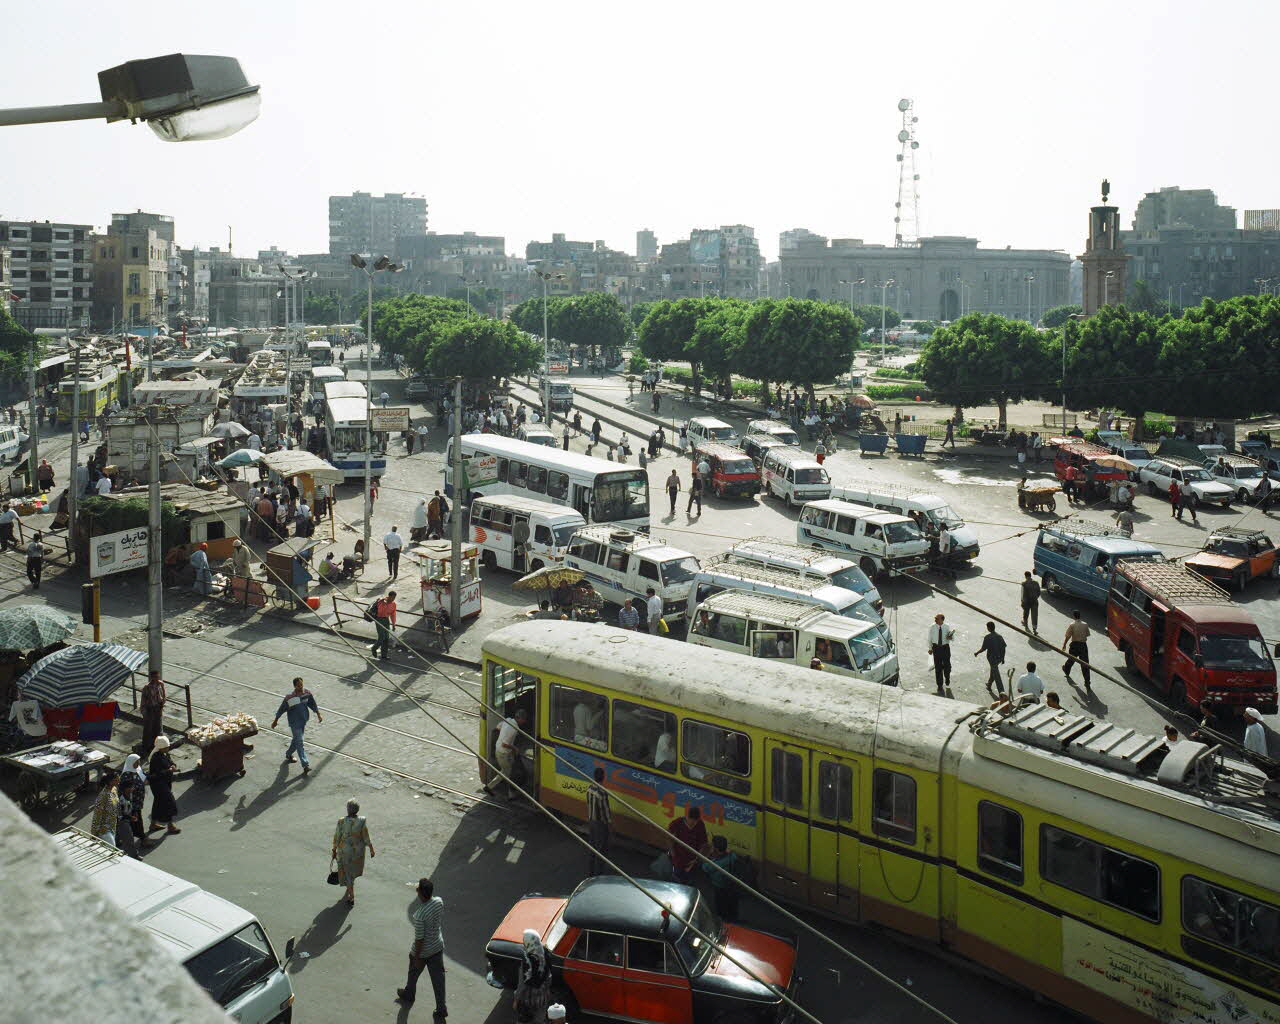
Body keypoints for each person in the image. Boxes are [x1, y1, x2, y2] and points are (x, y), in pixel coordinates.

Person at [398, 877, 447, 1018]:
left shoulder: (419, 915)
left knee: (413, 972)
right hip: (437, 946)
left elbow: (419, 940)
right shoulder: (439, 902)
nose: (416, 890)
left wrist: (418, 958)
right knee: (438, 980)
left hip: (423, 952)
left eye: (418, 889)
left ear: (420, 894)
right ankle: (441, 1008)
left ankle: (409, 994)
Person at [271, 676, 323, 775]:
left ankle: (288, 754)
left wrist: (319, 714)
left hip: (303, 721)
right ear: (294, 686)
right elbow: (281, 709)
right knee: (300, 742)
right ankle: (305, 764)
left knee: (296, 740)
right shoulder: (290, 698)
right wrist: (275, 720)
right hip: (294, 723)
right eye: (298, 685)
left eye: (301, 685)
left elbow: (313, 704)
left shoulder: (307, 693)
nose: (300, 687)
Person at [332, 799, 375, 906]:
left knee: (347, 873)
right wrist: (371, 848)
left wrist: (334, 849)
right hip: (357, 852)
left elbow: (337, 836)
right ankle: (350, 885)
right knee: (352, 870)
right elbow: (365, 835)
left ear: (348, 809)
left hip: (345, 851)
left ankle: (351, 896)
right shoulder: (361, 821)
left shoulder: (342, 821)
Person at [488, 707, 528, 800]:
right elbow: (505, 744)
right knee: (508, 773)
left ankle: (489, 787)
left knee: (506, 771)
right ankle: (511, 794)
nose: (524, 722)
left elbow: (498, 727)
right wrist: (514, 748)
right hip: (503, 753)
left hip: (500, 750)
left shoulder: (508, 720)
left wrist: (503, 734)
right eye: (524, 720)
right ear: (520, 719)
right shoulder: (513, 729)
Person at [514, 929, 552, 1023]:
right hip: (543, 995)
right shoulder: (546, 954)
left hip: (529, 998)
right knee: (539, 1018)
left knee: (525, 1019)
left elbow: (521, 984)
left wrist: (516, 1000)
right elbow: (549, 976)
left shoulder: (527, 961)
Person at [147, 735, 181, 835]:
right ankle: (170, 825)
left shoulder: (164, 755)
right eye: (166, 747)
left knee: (158, 803)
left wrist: (173, 766)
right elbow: (158, 773)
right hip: (158, 784)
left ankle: (153, 824)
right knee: (168, 802)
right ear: (161, 748)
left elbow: (170, 762)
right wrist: (169, 770)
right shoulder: (155, 758)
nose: (168, 748)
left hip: (165, 783)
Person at [668, 805, 709, 883]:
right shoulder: (678, 822)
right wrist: (672, 852)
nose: (693, 823)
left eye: (696, 821)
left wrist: (695, 860)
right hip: (678, 858)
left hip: (692, 860)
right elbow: (668, 835)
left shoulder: (700, 824)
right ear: (687, 817)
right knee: (676, 878)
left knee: (688, 880)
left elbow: (703, 844)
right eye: (692, 821)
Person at [708, 835, 741, 921]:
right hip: (732, 888)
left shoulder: (715, 864)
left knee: (721, 910)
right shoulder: (732, 856)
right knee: (732, 908)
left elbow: (705, 868)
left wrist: (710, 855)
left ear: (716, 849)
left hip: (720, 888)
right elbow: (733, 855)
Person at [586, 766, 611, 876]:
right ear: (603, 777)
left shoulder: (589, 789)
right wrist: (610, 826)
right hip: (600, 825)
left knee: (592, 847)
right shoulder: (602, 793)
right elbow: (605, 812)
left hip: (591, 821)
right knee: (601, 851)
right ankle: (598, 875)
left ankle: (591, 873)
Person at [973, 621, 1007, 697]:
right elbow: (1004, 648)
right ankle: (989, 684)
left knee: (996, 675)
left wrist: (977, 653)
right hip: (999, 658)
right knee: (994, 670)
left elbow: (983, 648)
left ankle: (1002, 693)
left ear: (988, 628)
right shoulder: (1000, 636)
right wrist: (1003, 658)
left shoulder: (987, 637)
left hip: (992, 658)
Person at [90, 770, 121, 847]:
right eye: (116, 780)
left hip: (113, 825)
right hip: (104, 829)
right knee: (112, 847)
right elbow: (97, 815)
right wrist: (94, 833)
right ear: (110, 782)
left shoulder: (114, 789)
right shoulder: (102, 796)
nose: (118, 782)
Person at [1063, 610, 1092, 690]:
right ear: (1080, 616)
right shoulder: (1085, 624)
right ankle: (1087, 682)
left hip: (1075, 645)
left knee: (1071, 660)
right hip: (1083, 645)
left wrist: (1064, 644)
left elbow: (1068, 636)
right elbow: (1087, 634)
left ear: (1074, 616)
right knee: (1085, 664)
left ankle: (1066, 670)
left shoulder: (1072, 625)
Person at [140, 671, 166, 756]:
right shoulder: (146, 687)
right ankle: (146, 747)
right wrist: (144, 713)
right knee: (148, 729)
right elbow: (143, 701)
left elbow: (164, 696)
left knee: (157, 728)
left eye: (157, 677)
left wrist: (161, 706)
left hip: (158, 708)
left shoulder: (161, 684)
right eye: (154, 677)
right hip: (149, 709)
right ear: (151, 677)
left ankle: (157, 746)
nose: (156, 679)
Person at [928, 613, 955, 694]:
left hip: (945, 648)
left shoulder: (947, 627)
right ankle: (939, 685)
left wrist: (950, 637)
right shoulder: (932, 627)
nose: (935, 620)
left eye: (937, 618)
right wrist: (930, 648)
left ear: (942, 620)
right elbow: (929, 638)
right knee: (938, 667)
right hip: (936, 648)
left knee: (947, 666)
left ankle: (947, 679)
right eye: (935, 618)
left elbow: (952, 638)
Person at [371, 591, 398, 660]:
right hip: (379, 619)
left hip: (386, 620)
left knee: (386, 638)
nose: (393, 599)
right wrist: (384, 603)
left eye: (394, 597)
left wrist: (393, 624)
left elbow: (393, 615)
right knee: (381, 637)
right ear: (389, 596)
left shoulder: (393, 604)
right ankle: (374, 648)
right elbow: (380, 611)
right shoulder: (382, 601)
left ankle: (384, 655)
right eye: (392, 597)